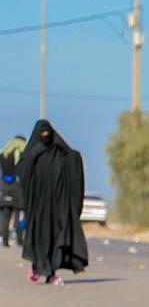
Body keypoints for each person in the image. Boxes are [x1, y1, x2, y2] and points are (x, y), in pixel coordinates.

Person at [18, 121, 87, 284]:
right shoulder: (32, 155)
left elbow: (73, 162)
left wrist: (75, 158)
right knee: (40, 238)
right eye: (41, 133)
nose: (44, 136)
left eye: (47, 132)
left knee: (56, 237)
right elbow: (23, 173)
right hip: (38, 206)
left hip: (57, 205)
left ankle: (51, 273)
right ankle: (37, 268)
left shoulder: (60, 152)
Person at [1, 135, 27, 247]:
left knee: (5, 216)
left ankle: (5, 240)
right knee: (19, 215)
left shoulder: (4, 153)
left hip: (4, 187)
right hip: (18, 187)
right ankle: (19, 239)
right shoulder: (22, 153)